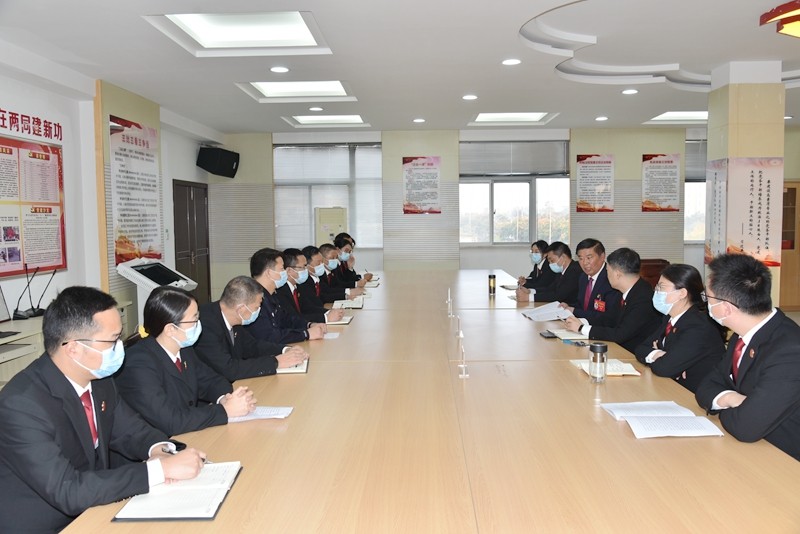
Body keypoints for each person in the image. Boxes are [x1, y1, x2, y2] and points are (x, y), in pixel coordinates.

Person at [0, 286, 205, 532]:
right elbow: (69, 490)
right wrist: (158, 470)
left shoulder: (99, 379)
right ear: (74, 348)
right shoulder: (21, 405)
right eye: (113, 340)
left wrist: (161, 450)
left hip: (96, 507)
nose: (121, 348)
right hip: (49, 524)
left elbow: (131, 430)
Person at [695, 253, 800, 460]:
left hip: (783, 458)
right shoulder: (742, 333)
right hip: (752, 448)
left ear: (726, 308)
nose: (705, 303)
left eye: (708, 298)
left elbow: (745, 427)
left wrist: (729, 407)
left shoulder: (790, 351)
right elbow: (706, 387)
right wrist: (731, 398)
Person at [117, 286, 256, 436]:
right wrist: (224, 411)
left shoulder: (183, 349)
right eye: (194, 320)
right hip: (159, 442)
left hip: (187, 433)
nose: (199, 324)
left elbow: (212, 380)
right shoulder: (138, 364)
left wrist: (225, 399)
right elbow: (171, 421)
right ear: (170, 329)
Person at [194, 276, 308, 382]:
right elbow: (229, 368)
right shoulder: (205, 325)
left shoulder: (234, 316)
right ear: (241, 309)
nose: (259, 311)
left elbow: (252, 346)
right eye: (257, 307)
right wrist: (276, 362)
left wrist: (285, 349)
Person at [633, 264, 725, 392]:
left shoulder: (698, 326)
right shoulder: (670, 318)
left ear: (682, 293)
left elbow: (664, 368)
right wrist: (658, 354)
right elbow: (640, 349)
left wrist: (664, 360)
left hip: (692, 394)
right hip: (670, 387)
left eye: (661, 287)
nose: (656, 291)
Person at [564, 247, 661, 354]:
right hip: (619, 349)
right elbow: (608, 318)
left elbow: (620, 334)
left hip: (631, 354)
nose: (606, 275)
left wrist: (582, 328)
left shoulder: (643, 298)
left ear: (617, 274)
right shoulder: (624, 292)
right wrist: (581, 323)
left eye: (607, 271)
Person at [247, 247, 326, 344]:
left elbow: (287, 320)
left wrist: (309, 325)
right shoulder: (253, 300)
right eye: (281, 269)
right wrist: (306, 334)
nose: (285, 272)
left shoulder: (272, 295)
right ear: (269, 273)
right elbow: (271, 336)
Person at [561, 238, 622, 323]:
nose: (585, 263)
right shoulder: (583, 277)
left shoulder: (611, 278)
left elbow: (608, 317)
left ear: (602, 256)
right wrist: (568, 306)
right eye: (581, 258)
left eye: (589, 258)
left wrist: (575, 311)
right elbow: (583, 305)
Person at [280, 248, 346, 324]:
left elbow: (308, 308)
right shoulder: (281, 291)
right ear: (289, 271)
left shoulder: (298, 286)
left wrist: (329, 312)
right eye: (304, 266)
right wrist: (325, 318)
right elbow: (293, 317)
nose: (306, 269)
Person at [520, 241, 580, 306]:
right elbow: (549, 289)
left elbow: (558, 295)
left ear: (563, 257)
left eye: (552, 260)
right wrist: (530, 291)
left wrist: (529, 297)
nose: (550, 264)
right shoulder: (561, 271)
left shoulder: (574, 270)